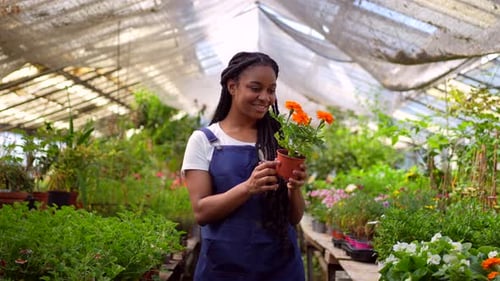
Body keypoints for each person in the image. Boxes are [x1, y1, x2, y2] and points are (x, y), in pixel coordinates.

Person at [181, 51, 307, 281]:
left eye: (271, 90)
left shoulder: (280, 140)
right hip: (224, 267)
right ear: (232, 86)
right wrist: (248, 187)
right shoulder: (206, 140)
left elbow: (294, 217)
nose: (265, 97)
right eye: (255, 88)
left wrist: (294, 188)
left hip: (280, 267)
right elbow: (201, 211)